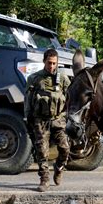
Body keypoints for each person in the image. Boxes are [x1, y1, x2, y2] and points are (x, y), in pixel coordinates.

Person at [24, 48, 71, 192]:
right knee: (42, 151)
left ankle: (59, 168)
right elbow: (28, 100)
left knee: (65, 148)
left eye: (54, 63)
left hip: (58, 120)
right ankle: (44, 179)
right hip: (41, 121)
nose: (51, 66)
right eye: (49, 63)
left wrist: (69, 116)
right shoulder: (34, 78)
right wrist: (27, 118)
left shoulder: (62, 78)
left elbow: (70, 97)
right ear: (44, 61)